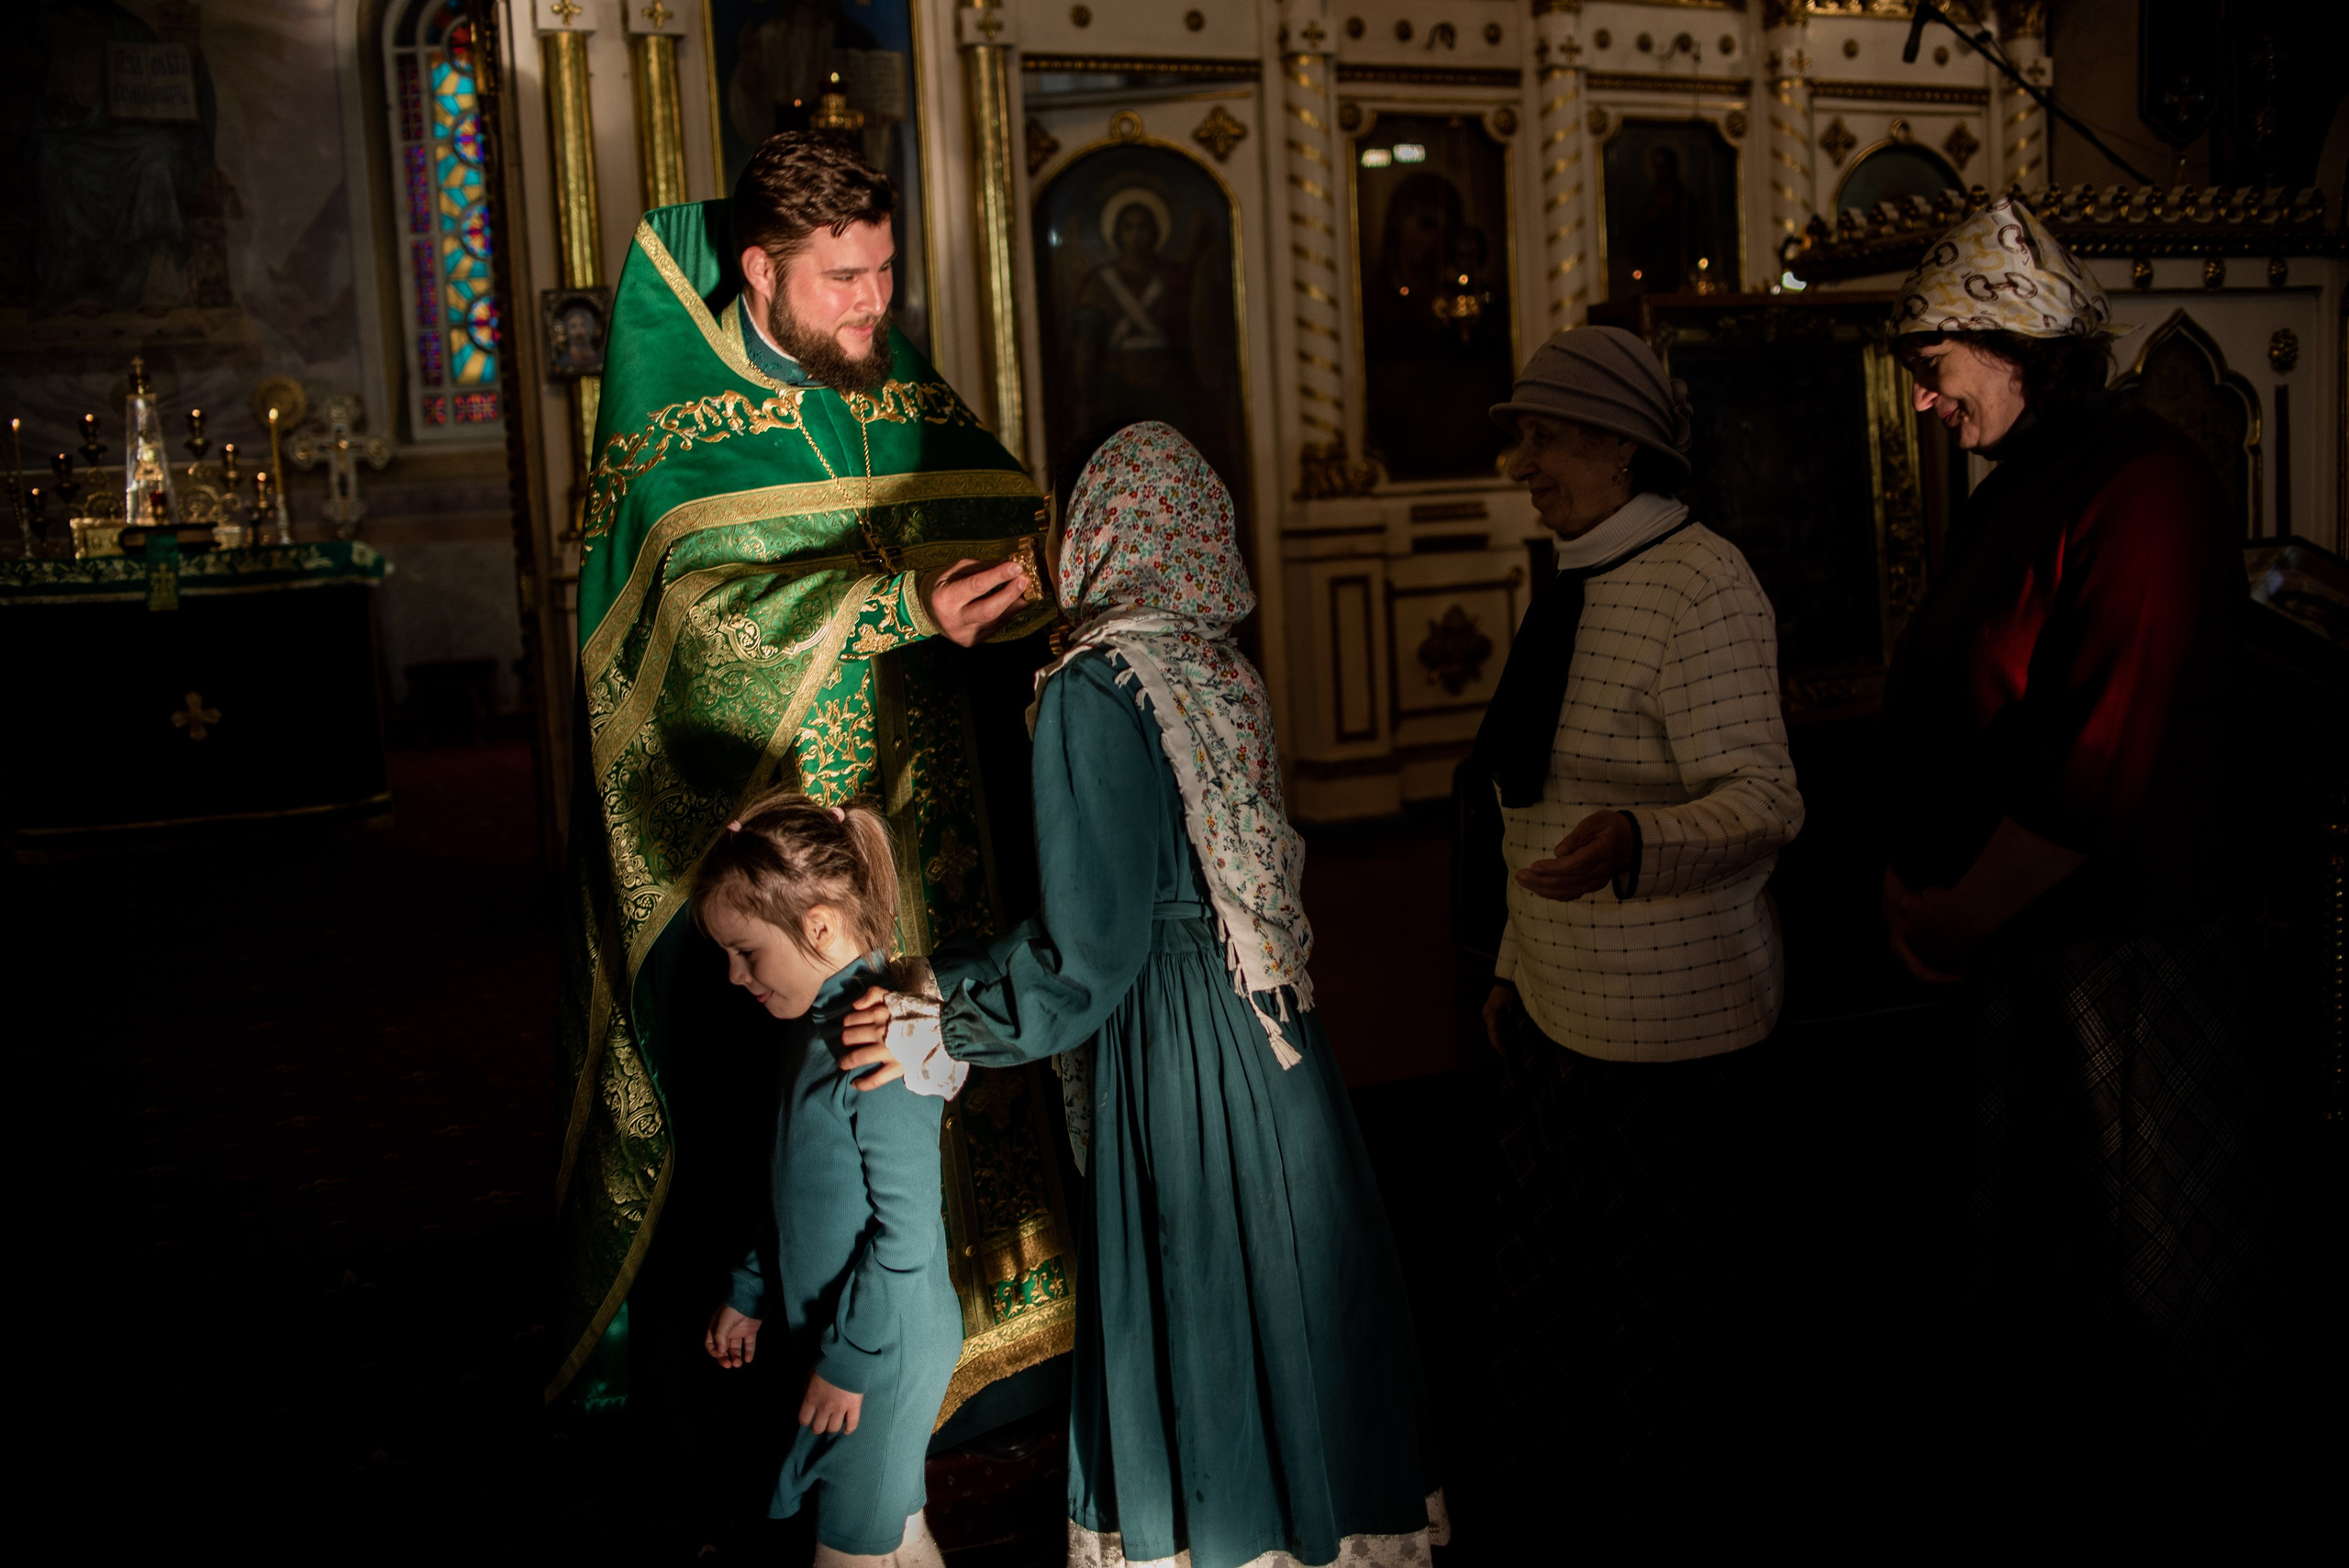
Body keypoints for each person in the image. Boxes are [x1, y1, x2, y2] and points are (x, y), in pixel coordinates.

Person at [835, 423, 1446, 1568]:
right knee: (1282, 1286)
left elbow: (1088, 956)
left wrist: (945, 1019)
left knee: (1201, 1286)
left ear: (1108, 528)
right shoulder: (1210, 661)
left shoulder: (1090, 687)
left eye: (1063, 513)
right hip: (1266, 1036)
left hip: (1176, 1049)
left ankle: (1214, 1536)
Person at [550, 130, 1076, 1451]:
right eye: (844, 277)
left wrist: (1024, 582)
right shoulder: (676, 413)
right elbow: (695, 614)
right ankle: (807, 1354)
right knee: (787, 1106)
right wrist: (897, 600)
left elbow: (999, 512)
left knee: (942, 1063)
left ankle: (980, 1350)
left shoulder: (881, 369)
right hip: (769, 854)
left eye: (886, 270)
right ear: (761, 270)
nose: (874, 304)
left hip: (924, 810)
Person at [1879, 196, 2262, 1438]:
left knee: (2137, 1274)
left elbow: (2096, 758)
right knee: (2029, 1271)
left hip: (2123, 953)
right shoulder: (2025, 480)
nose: (1925, 405)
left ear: (2016, 348)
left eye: (1934, 372)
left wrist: (1953, 914)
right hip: (2023, 945)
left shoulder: (2141, 485)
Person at [1468, 326, 1804, 1466]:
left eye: (1544, 438)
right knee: (1564, 1301)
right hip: (1566, 1013)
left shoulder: (1700, 581)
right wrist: (1516, 963)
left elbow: (1765, 800)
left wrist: (1635, 840)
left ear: (1620, 448)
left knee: (1667, 1327)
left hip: (1672, 1039)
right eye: (1521, 437)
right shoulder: (1580, 573)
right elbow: (1534, 791)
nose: (1522, 463)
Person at [695, 795, 961, 1568]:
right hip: (846, 1337)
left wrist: (850, 1365)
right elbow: (793, 1188)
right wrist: (749, 1287)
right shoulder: (808, 1022)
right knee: (892, 1534)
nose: (736, 976)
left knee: (853, 1549)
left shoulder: (880, 1039)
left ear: (817, 925)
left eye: (747, 952)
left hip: (884, 1344)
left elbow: (906, 1234)